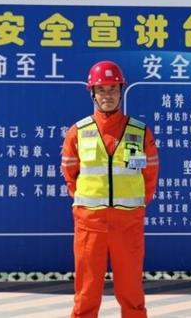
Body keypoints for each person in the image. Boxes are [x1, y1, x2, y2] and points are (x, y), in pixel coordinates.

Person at [61, 60, 159, 318]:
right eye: (101, 89)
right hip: (90, 224)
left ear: (121, 91)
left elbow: (150, 174)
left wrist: (134, 204)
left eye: (113, 89)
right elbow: (70, 173)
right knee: (86, 291)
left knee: (131, 291)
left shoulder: (139, 132)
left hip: (128, 223)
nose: (107, 95)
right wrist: (88, 205)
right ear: (92, 93)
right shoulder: (78, 132)